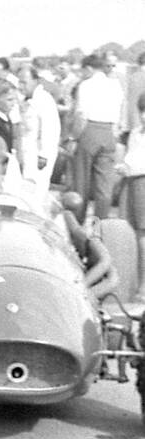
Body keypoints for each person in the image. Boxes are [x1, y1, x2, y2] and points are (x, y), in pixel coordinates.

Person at [72, 53, 124, 220]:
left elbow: (81, 116)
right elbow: (119, 114)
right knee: (104, 185)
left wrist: (73, 138)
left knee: (82, 182)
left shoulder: (85, 85)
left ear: (88, 68)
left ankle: (79, 221)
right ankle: (100, 224)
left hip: (90, 130)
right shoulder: (116, 86)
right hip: (109, 132)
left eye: (83, 71)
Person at [116, 92, 145, 299]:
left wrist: (131, 168)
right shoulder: (136, 133)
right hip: (132, 184)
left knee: (143, 235)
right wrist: (124, 165)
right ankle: (132, 282)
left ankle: (143, 285)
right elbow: (131, 156)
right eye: (142, 111)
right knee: (131, 233)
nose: (144, 116)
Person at [17, 64, 59, 196]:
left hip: (38, 154)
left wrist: (44, 154)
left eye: (24, 82)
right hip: (25, 151)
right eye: (19, 82)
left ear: (35, 81)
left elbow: (51, 130)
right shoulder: (24, 100)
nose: (21, 86)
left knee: (35, 191)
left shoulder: (44, 100)